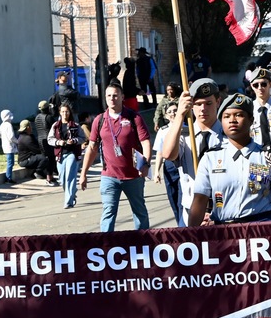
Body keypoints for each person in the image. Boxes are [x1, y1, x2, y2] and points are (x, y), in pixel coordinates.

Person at [187, 93, 271, 226]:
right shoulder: (210, 158)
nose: (232, 120)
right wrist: (191, 237)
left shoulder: (268, 156)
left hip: (262, 230)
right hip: (225, 233)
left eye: (239, 115)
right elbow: (199, 200)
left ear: (251, 120)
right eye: (226, 116)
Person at [79, 83, 150, 229]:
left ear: (122, 97)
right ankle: (106, 247)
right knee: (108, 212)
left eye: (115, 95)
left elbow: (145, 142)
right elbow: (92, 148)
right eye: (109, 95)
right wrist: (83, 174)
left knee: (139, 212)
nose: (112, 98)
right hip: (109, 176)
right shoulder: (100, 120)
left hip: (133, 176)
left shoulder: (133, 117)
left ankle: (144, 245)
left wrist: (146, 164)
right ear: (105, 98)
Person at [161, 78, 225, 226]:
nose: (203, 109)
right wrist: (180, 115)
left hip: (223, 212)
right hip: (191, 212)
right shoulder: (182, 135)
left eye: (208, 103)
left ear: (218, 102)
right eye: (197, 104)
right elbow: (168, 154)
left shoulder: (229, 135)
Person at [152, 101, 184, 226]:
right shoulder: (163, 130)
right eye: (169, 112)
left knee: (183, 197)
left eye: (175, 110)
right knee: (173, 197)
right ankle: (179, 225)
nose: (173, 113)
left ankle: (184, 225)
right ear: (165, 116)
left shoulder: (187, 127)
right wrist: (156, 172)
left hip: (183, 163)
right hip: (170, 166)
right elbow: (160, 152)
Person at [50, 104, 86, 209]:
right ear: (60, 113)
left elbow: (82, 138)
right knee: (62, 178)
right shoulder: (55, 126)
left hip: (72, 153)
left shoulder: (75, 125)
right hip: (60, 154)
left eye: (67, 112)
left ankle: (68, 202)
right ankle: (72, 192)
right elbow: (50, 139)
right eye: (63, 112)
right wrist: (58, 142)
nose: (65, 114)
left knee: (70, 176)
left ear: (70, 113)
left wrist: (74, 141)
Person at [17, 120, 57, 185]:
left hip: (29, 158)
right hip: (25, 160)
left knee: (43, 157)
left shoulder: (24, 136)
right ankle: (38, 172)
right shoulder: (27, 138)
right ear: (28, 128)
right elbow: (37, 150)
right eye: (30, 126)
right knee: (44, 158)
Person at [0, 110, 17, 184]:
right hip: (9, 147)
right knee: (10, 163)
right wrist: (17, 141)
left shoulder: (2, 125)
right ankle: (8, 178)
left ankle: (8, 177)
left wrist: (4, 138)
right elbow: (11, 137)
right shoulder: (8, 125)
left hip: (4, 146)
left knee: (10, 162)